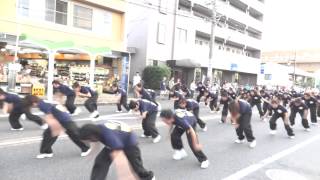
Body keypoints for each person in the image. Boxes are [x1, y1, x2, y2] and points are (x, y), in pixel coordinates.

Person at [79, 122, 155, 180]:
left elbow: (120, 161)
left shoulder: (109, 137)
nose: (89, 142)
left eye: (89, 139)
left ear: (93, 135)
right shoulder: (96, 129)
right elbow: (95, 142)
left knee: (136, 165)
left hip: (129, 142)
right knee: (100, 161)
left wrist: (125, 176)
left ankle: (149, 177)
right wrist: (92, 153)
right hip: (117, 138)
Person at [23, 95, 91, 158]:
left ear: (32, 102)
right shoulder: (43, 101)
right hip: (59, 117)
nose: (31, 106)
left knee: (73, 134)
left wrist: (52, 125)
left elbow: (49, 115)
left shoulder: (41, 105)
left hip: (64, 119)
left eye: (29, 104)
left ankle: (86, 148)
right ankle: (47, 152)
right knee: (48, 135)